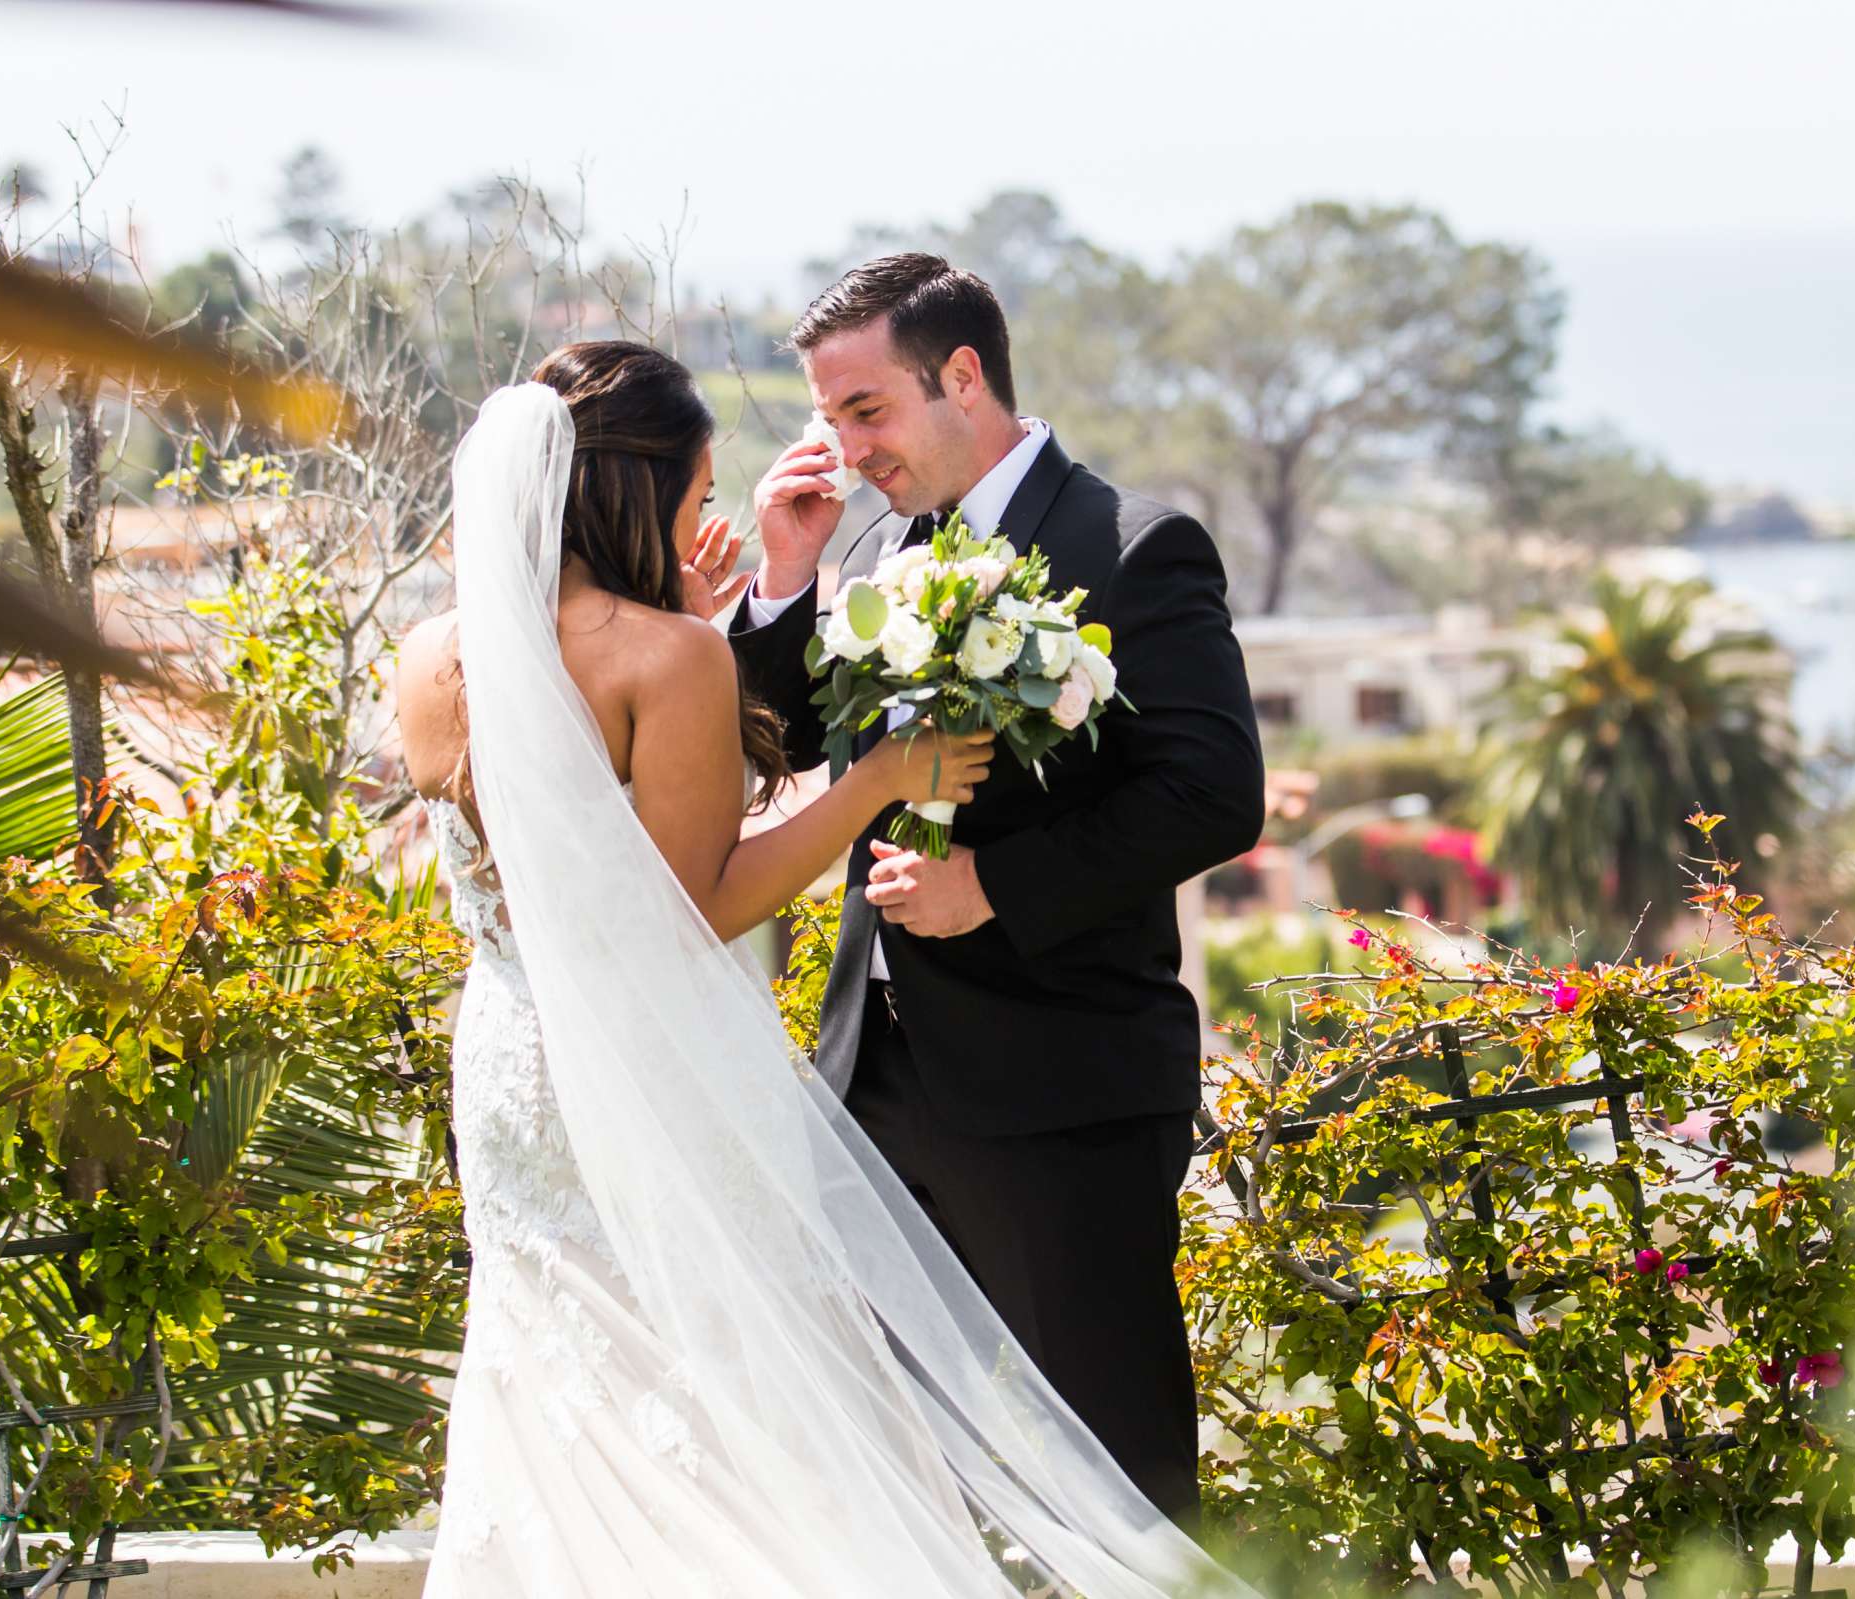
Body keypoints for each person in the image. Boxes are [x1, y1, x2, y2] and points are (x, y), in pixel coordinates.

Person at [397, 340, 1239, 1595]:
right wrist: (878, 784)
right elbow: (694, 905)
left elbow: (571, 851)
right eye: (692, 493)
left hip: (515, 1069)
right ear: (633, 495)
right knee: (742, 1411)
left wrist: (708, 613)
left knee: (561, 1377)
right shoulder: (665, 659)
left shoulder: (436, 654)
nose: (704, 518)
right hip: (650, 1066)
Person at [727, 254, 1267, 1529]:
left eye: (868, 412)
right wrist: (788, 575)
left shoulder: (1132, 548)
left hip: (1058, 1087)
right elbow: (786, 740)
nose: (849, 451)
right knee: (877, 1476)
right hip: (869, 1086)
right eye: (831, 419)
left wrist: (995, 888)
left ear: (961, 376)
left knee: (1122, 1481)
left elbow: (1212, 793)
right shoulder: (870, 546)